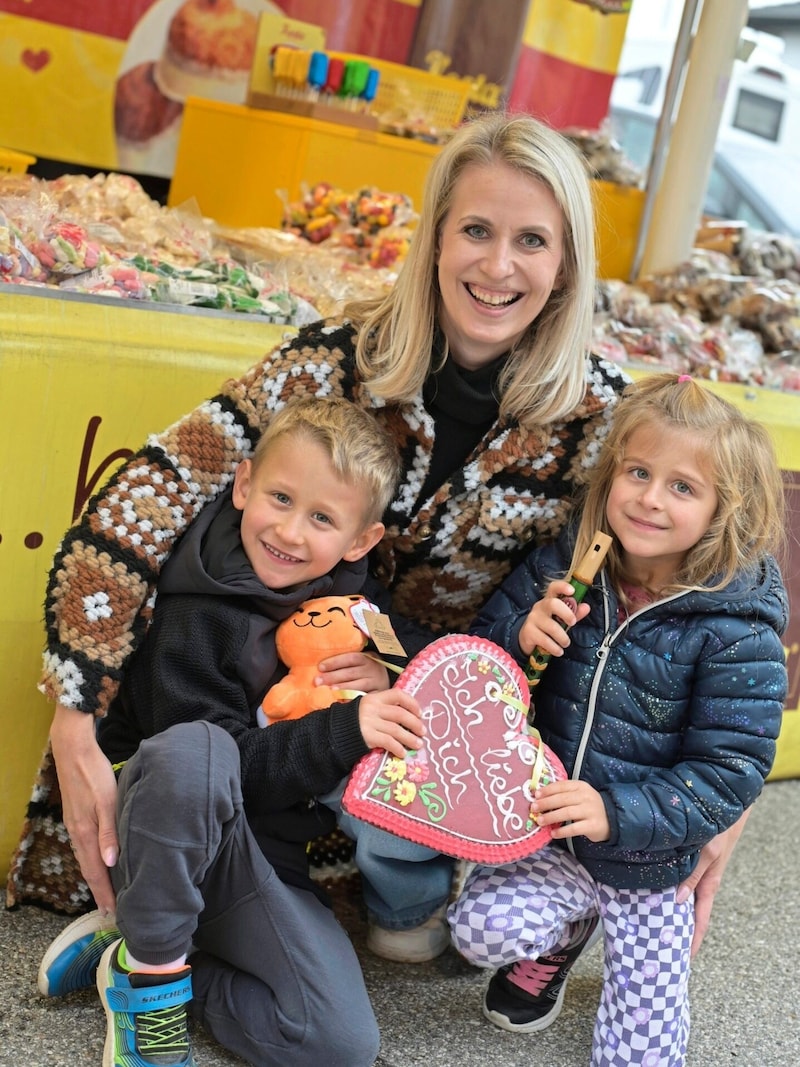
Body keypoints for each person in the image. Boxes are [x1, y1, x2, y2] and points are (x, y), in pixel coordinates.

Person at [26, 111, 736, 983]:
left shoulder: (597, 421)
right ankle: (163, 914)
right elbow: (152, 492)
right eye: (475, 229)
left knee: (325, 981)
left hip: (410, 738)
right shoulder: (333, 358)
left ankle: (190, 933)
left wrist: (716, 804)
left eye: (531, 241)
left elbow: (716, 572)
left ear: (565, 268)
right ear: (435, 236)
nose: (497, 265)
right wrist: (74, 707)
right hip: (228, 695)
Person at [39, 395, 429, 1067]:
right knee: (201, 750)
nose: (291, 530)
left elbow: (418, 659)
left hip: (263, 862)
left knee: (340, 1043)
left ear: (360, 540)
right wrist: (347, 726)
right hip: (164, 839)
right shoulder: (194, 613)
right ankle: (150, 992)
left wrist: (388, 670)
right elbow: (223, 771)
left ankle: (139, 953)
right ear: (243, 484)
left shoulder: (354, 602)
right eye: (280, 497)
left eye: (323, 518)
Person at [449, 373, 788, 1066]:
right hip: (549, 836)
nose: (649, 498)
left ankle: (620, 945)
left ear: (727, 510)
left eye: (683, 487)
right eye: (637, 471)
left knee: (642, 1055)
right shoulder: (568, 562)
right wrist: (520, 634)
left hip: (651, 861)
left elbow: (731, 773)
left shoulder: (736, 627)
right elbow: (479, 669)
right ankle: (567, 928)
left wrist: (616, 811)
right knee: (477, 930)